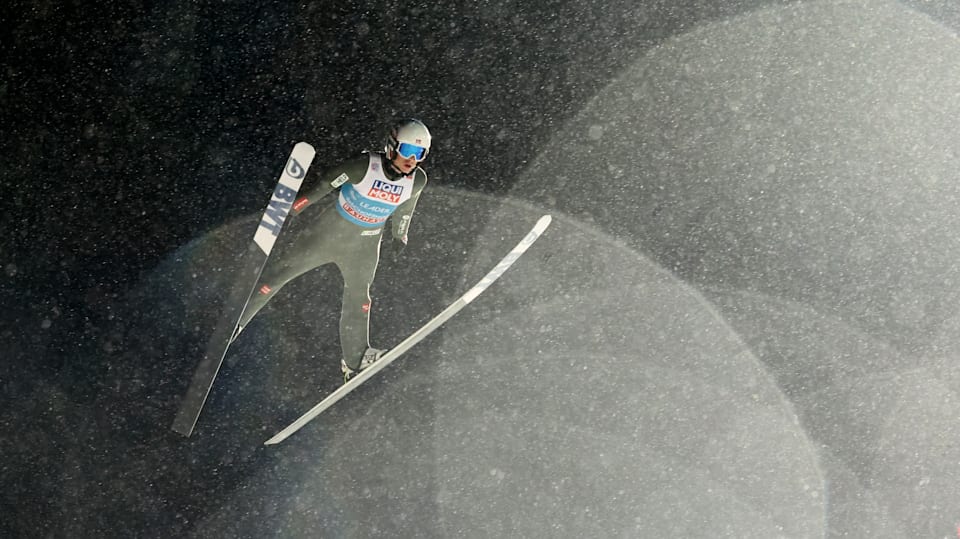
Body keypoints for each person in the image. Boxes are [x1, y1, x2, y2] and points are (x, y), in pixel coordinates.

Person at [235, 118, 432, 382]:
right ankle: (236, 322)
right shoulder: (364, 166)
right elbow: (325, 184)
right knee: (278, 276)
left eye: (420, 153)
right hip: (328, 235)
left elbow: (406, 209)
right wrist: (293, 209)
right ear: (392, 146)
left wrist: (400, 236)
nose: (412, 159)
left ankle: (355, 359)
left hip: (365, 245)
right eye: (408, 150)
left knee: (360, 299)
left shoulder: (417, 180)